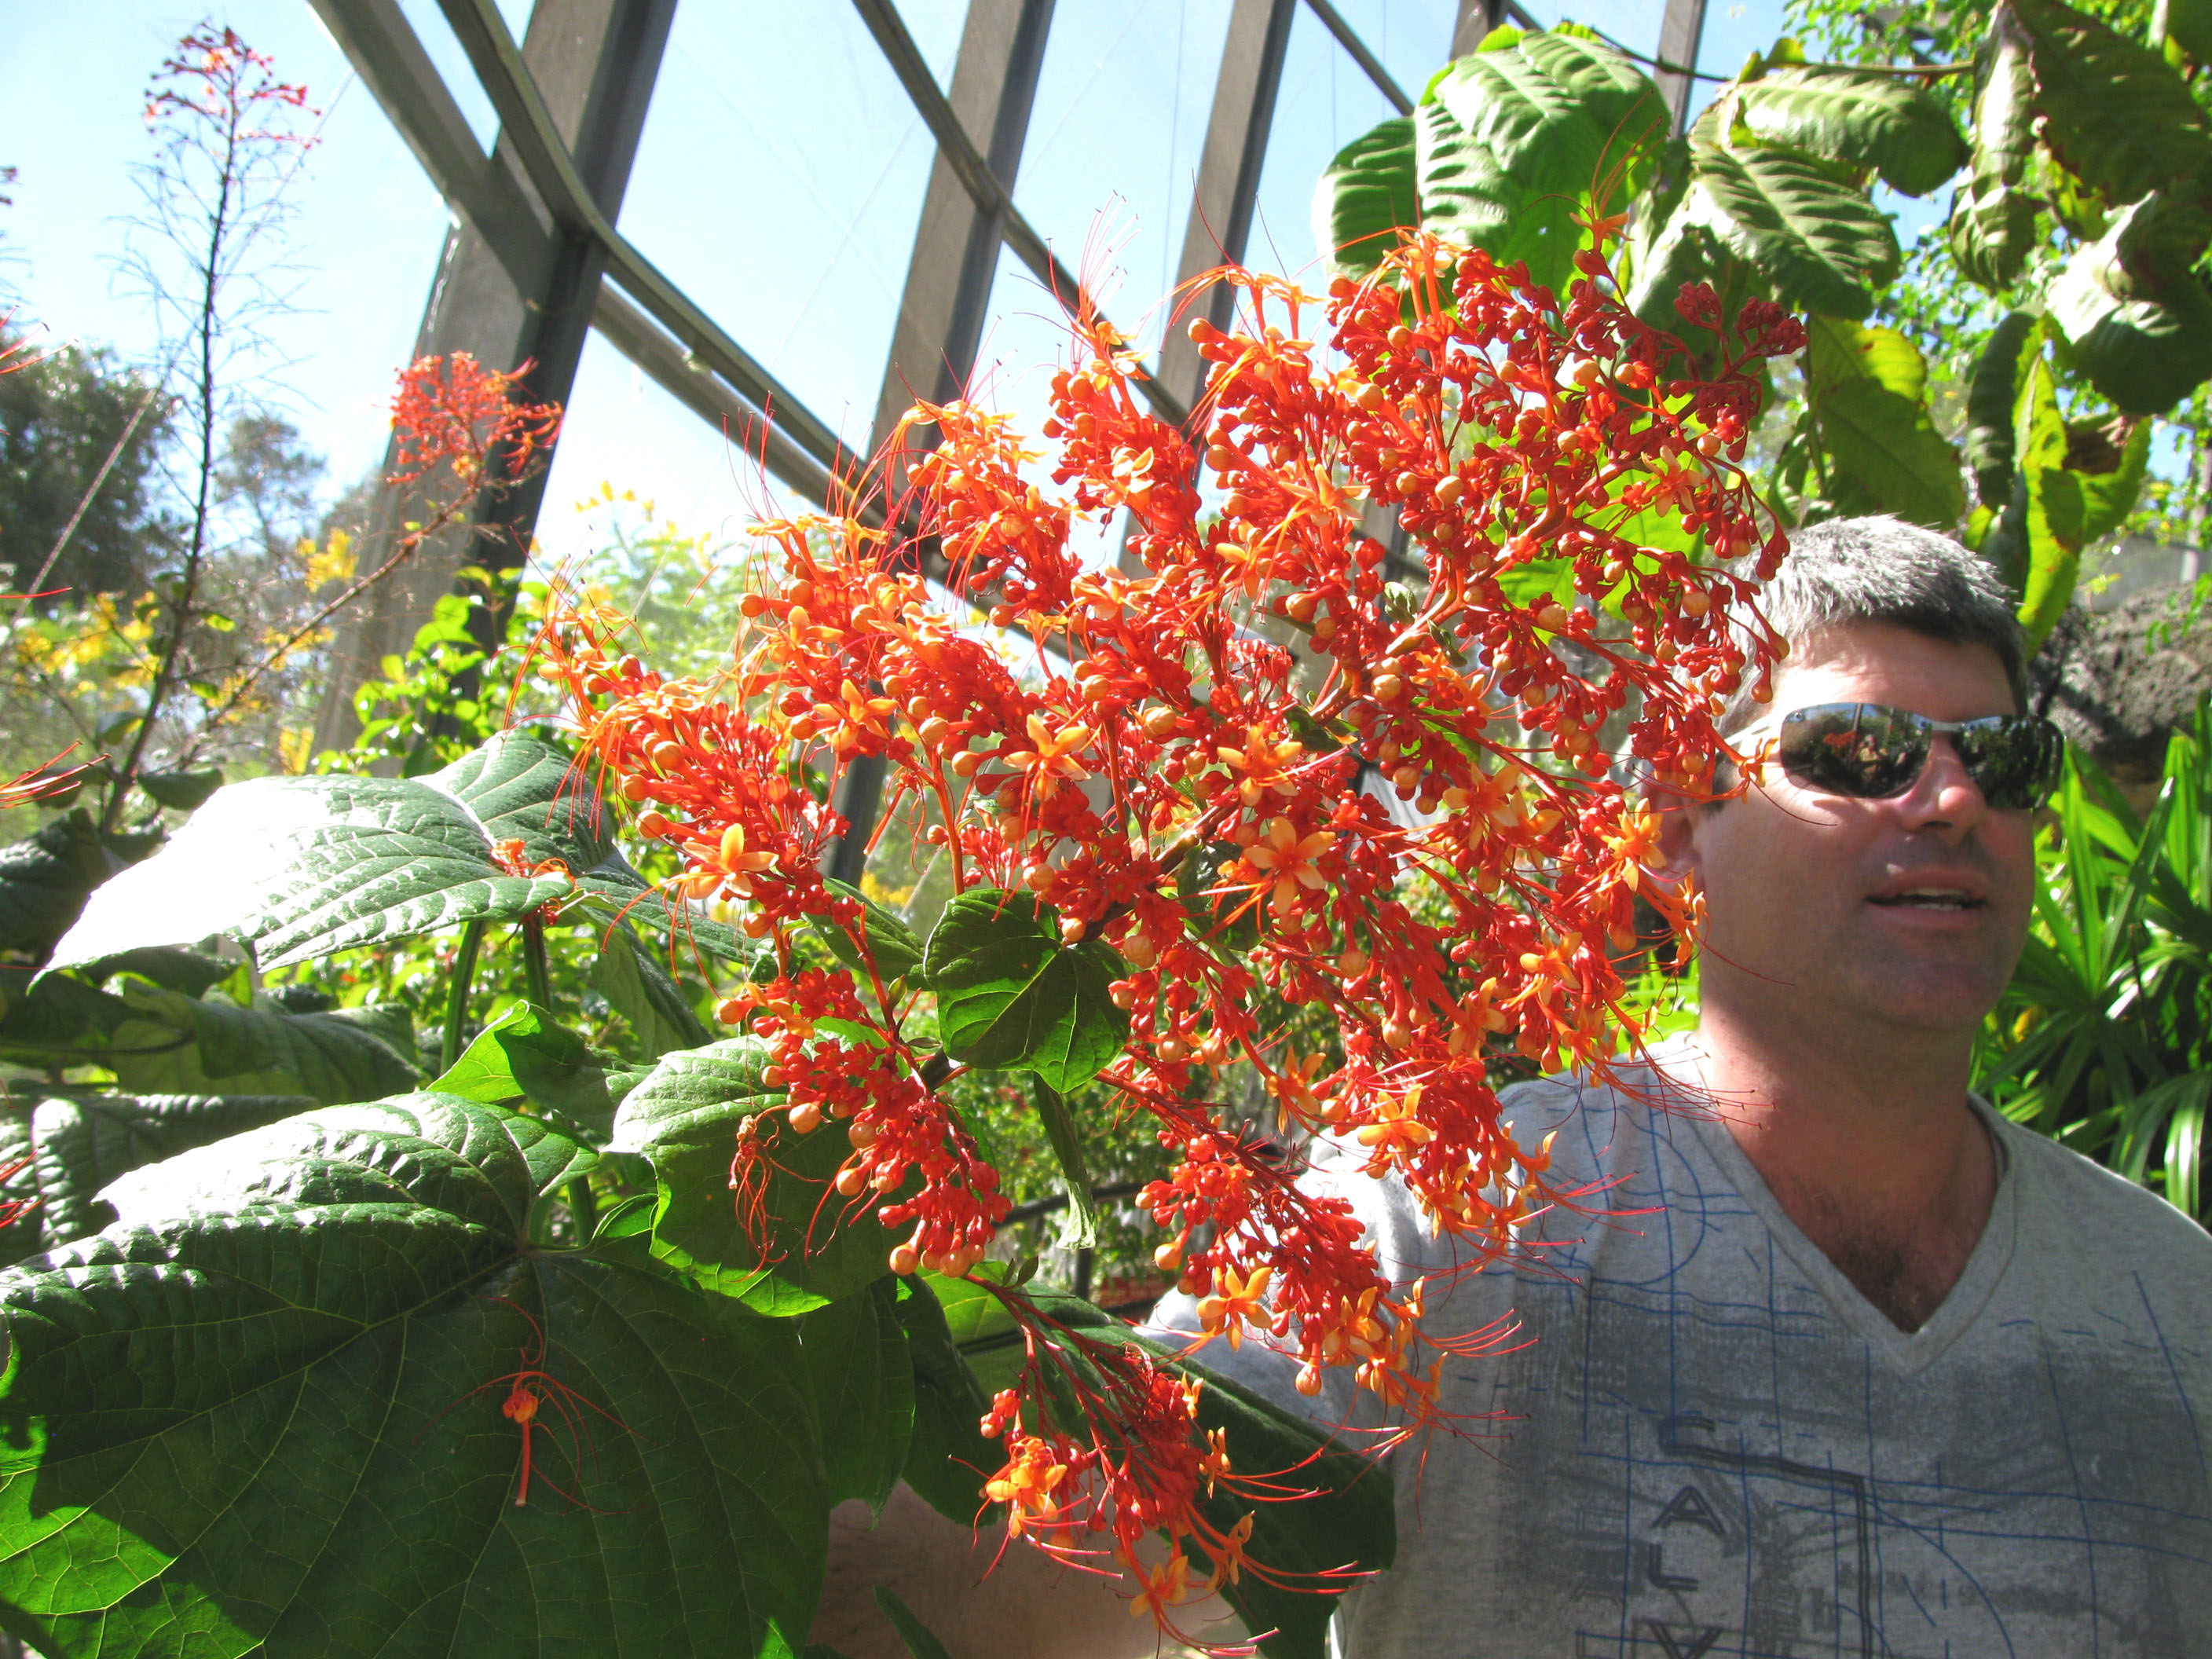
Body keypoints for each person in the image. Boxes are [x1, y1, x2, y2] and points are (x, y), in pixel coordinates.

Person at [811, 517, 2212, 1657]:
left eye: (2004, 759)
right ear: (1673, 833)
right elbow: (1037, 1574)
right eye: (1861, 752)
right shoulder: (1433, 1212)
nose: (1953, 799)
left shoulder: (2179, 1306)